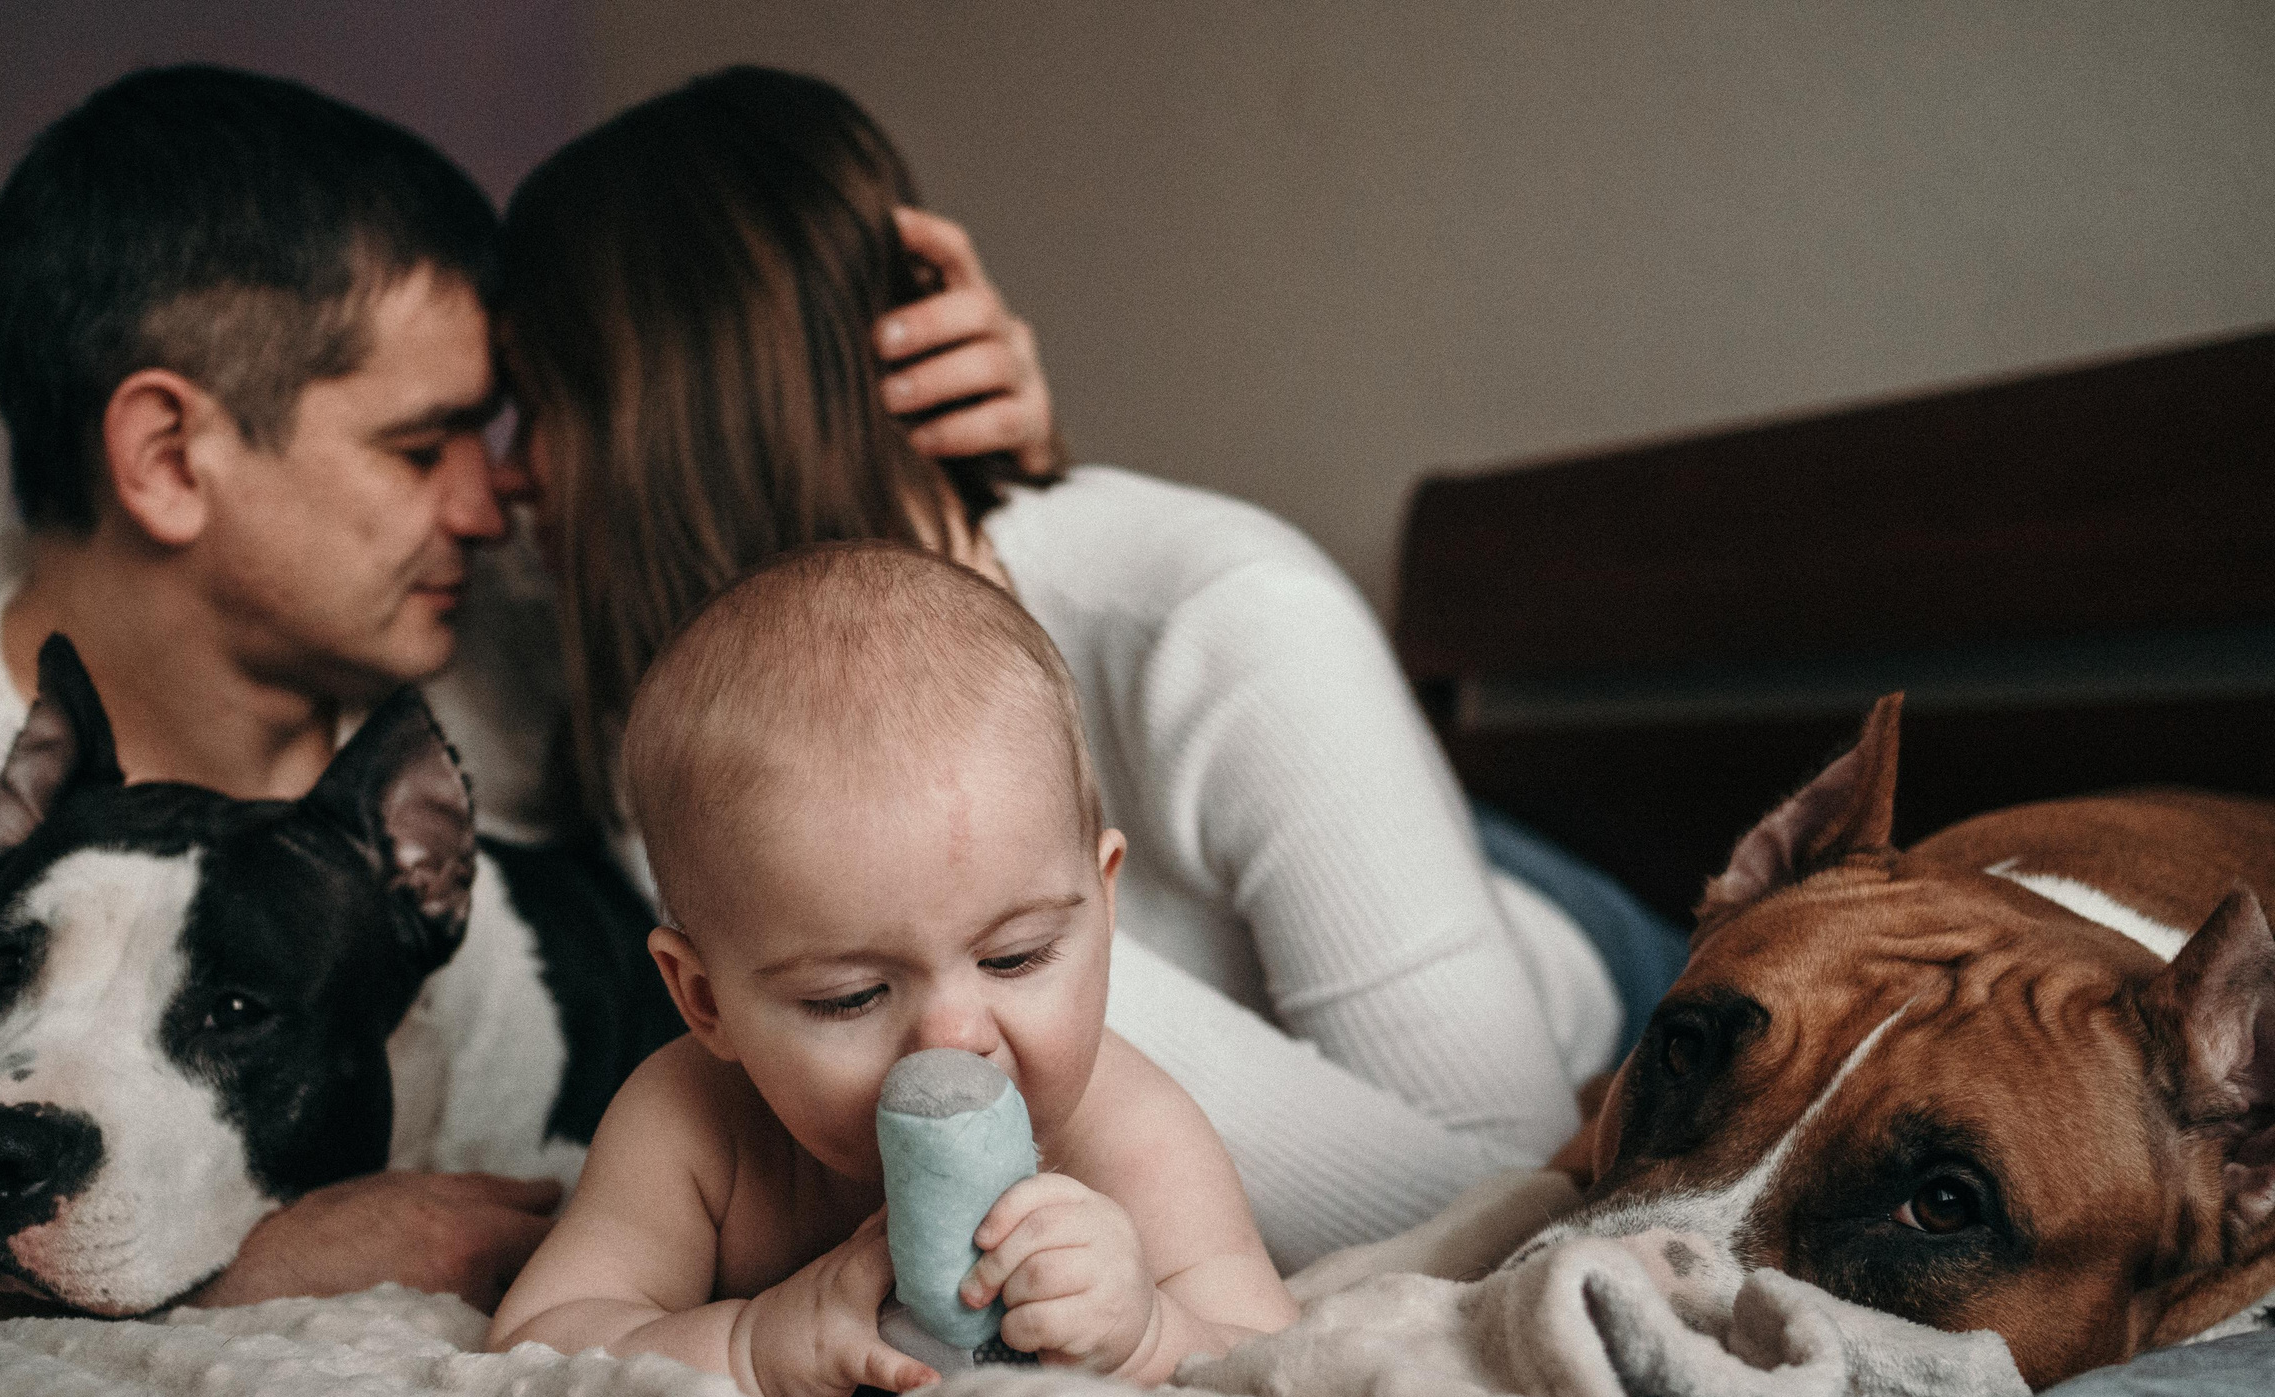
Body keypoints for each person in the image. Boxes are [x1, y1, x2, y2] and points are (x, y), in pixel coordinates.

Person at [0, 65, 1059, 1352]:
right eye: (419, 449)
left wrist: (972, 461)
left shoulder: (490, 622)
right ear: (172, 457)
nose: (490, 506)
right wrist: (253, 1266)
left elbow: (861, 643)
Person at [486, 66, 1690, 1274]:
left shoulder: (1218, 616)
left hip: (1568, 952)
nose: (506, 479)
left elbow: (1510, 1203)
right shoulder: (671, 719)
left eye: (531, 408)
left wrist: (969, 986)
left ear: (656, 413)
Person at [486, 545, 1299, 1397]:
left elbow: (1276, 1359)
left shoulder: (1130, 1133)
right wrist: (746, 1344)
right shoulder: (689, 1128)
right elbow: (538, 1341)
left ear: (1102, 907)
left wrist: (1149, 1331)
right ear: (703, 998)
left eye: (1014, 956)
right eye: (850, 997)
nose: (954, 1037)